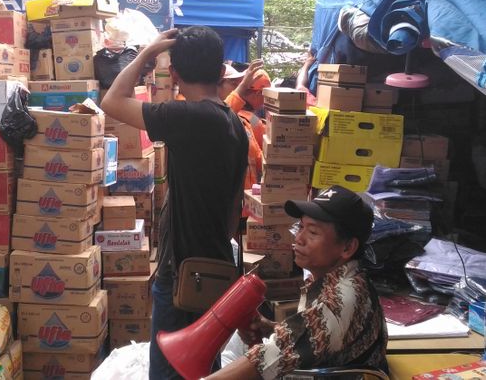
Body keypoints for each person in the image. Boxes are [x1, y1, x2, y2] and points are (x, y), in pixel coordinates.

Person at [101, 26, 249, 379]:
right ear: (221, 71)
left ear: (176, 74)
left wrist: (145, 53)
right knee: (202, 368)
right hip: (213, 267)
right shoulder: (232, 123)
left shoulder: (190, 118)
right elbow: (232, 213)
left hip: (185, 274)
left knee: (171, 370)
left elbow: (112, 101)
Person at [206, 186, 388, 380]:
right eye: (301, 227)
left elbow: (265, 361)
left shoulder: (341, 300)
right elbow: (312, 337)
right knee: (237, 344)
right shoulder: (334, 277)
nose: (298, 239)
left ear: (348, 247)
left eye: (313, 232)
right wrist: (271, 328)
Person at [217, 62, 264, 190]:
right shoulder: (210, 118)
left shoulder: (246, 121)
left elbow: (259, 157)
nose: (238, 88)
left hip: (247, 202)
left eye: (239, 83)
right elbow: (220, 117)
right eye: (233, 83)